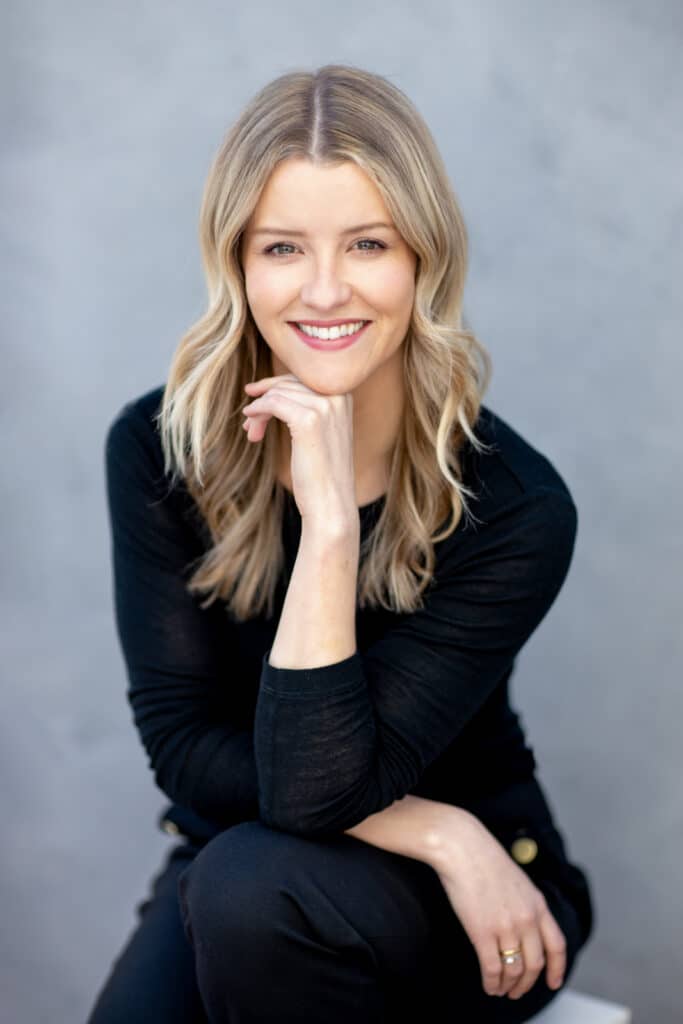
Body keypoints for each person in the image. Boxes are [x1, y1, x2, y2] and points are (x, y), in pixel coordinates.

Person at [87, 63, 595, 1024]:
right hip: (273, 846)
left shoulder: (513, 505)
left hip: (469, 908)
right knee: (237, 887)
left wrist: (327, 530)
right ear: (238, 263)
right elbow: (185, 748)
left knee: (251, 888)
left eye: (368, 243)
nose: (324, 291)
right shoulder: (161, 454)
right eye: (283, 247)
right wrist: (437, 830)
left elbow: (319, 789)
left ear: (422, 260)